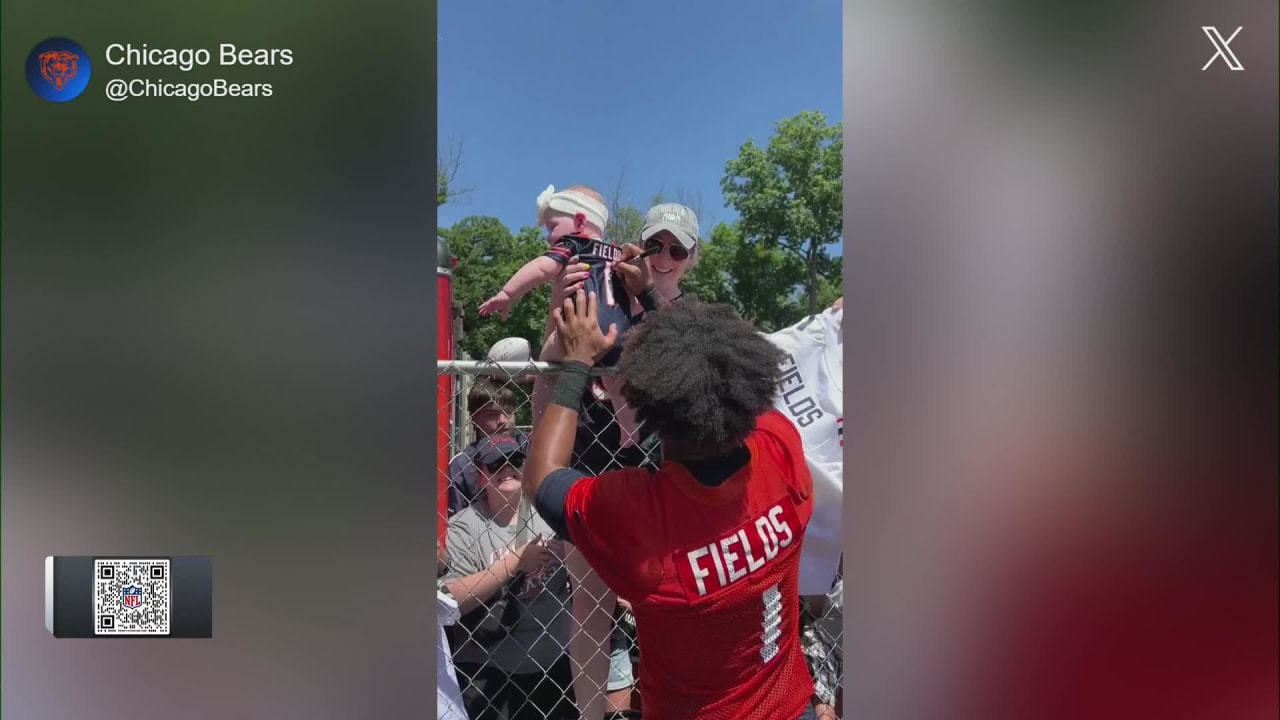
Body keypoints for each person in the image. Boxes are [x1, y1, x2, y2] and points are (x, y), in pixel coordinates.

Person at [522, 289, 818, 720]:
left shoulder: (642, 515)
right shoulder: (780, 447)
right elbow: (725, 381)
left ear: (651, 404)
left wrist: (575, 366)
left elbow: (542, 477)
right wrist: (650, 296)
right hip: (791, 708)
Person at [479, 183, 644, 450]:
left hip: (583, 326)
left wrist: (507, 293)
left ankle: (541, 425)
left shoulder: (574, 245)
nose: (548, 237)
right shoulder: (616, 253)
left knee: (547, 364)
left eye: (552, 226)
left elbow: (542, 267)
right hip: (617, 329)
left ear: (579, 221)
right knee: (617, 380)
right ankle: (630, 433)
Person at [442, 435, 577, 720]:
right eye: (496, 464)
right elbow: (452, 600)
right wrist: (515, 562)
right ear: (481, 477)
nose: (507, 469)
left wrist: (568, 556)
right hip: (488, 672)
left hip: (553, 666)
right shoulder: (465, 527)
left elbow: (590, 569)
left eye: (514, 461)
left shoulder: (549, 512)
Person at [447, 380, 527, 517]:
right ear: (474, 418)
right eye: (492, 414)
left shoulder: (526, 446)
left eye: (508, 412)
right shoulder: (462, 465)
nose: (503, 420)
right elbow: (456, 515)